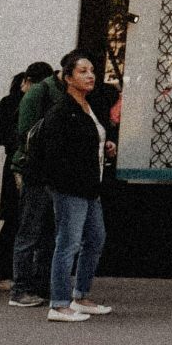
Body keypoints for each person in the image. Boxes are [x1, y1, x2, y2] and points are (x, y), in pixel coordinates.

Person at [26, 51, 115, 322]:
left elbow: (88, 140)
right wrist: (65, 182)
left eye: (92, 71)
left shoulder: (88, 106)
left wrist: (105, 146)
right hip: (71, 188)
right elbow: (55, 153)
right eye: (82, 71)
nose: (90, 76)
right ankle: (59, 303)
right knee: (68, 243)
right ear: (68, 78)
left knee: (95, 239)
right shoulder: (62, 110)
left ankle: (81, 295)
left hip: (90, 187)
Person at [9, 59, 73, 307]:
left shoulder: (70, 94)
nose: (89, 76)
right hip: (37, 171)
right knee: (30, 230)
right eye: (83, 70)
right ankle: (20, 289)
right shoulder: (40, 92)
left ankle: (41, 284)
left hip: (57, 173)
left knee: (49, 232)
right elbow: (25, 133)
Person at [0, 62, 51, 289]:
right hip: (17, 164)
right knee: (14, 219)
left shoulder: (46, 103)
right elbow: (1, 136)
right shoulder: (10, 103)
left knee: (31, 221)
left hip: (35, 165)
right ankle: (4, 274)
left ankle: (27, 274)